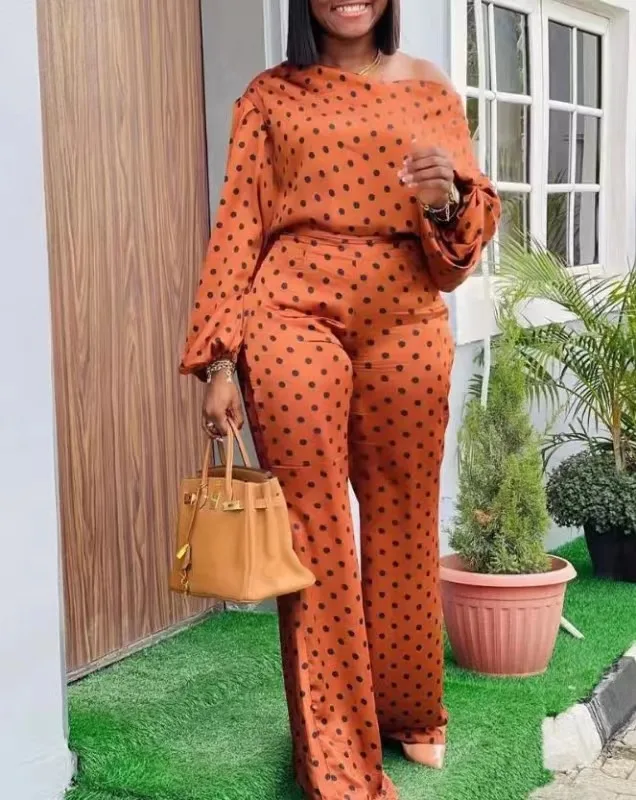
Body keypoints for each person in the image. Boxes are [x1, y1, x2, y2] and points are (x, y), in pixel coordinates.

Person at [180, 1, 500, 797]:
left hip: (406, 315)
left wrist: (444, 202)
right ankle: (335, 761)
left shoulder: (429, 89)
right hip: (291, 313)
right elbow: (238, 226)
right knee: (312, 534)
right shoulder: (269, 96)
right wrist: (220, 359)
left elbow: (456, 257)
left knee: (404, 520)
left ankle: (408, 711)